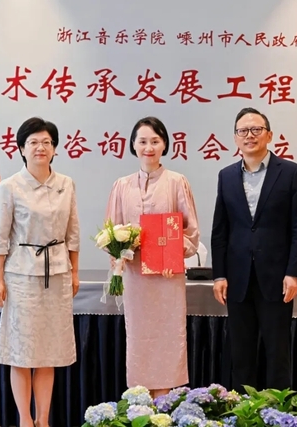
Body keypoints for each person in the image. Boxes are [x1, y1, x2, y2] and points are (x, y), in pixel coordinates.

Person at [210, 107, 297, 392]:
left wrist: (293, 272)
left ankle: (279, 411)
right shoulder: (226, 176)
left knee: (278, 352)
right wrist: (219, 275)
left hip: (277, 278)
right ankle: (243, 410)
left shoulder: (290, 172)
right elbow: (220, 230)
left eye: (256, 129)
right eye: (243, 131)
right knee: (241, 353)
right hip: (237, 278)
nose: (249, 135)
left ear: (269, 135)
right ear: (235, 138)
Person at [0, 117, 80, 427]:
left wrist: (75, 272)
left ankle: (43, 419)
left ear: (54, 149)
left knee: (48, 350)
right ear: (21, 149)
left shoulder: (66, 184)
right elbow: (1, 238)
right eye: (33, 142)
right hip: (20, 276)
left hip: (58, 274)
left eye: (46, 142)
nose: (40, 147)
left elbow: (73, 233)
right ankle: (25, 419)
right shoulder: (9, 186)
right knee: (21, 351)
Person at [105, 116, 200, 399]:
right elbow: (111, 230)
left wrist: (173, 255)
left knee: (167, 339)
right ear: (133, 145)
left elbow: (190, 233)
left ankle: (164, 405)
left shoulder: (177, 182)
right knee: (139, 339)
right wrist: (118, 254)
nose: (149, 147)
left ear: (165, 145)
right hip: (135, 278)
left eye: (155, 141)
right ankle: (141, 405)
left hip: (167, 279)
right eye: (143, 141)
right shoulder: (121, 186)